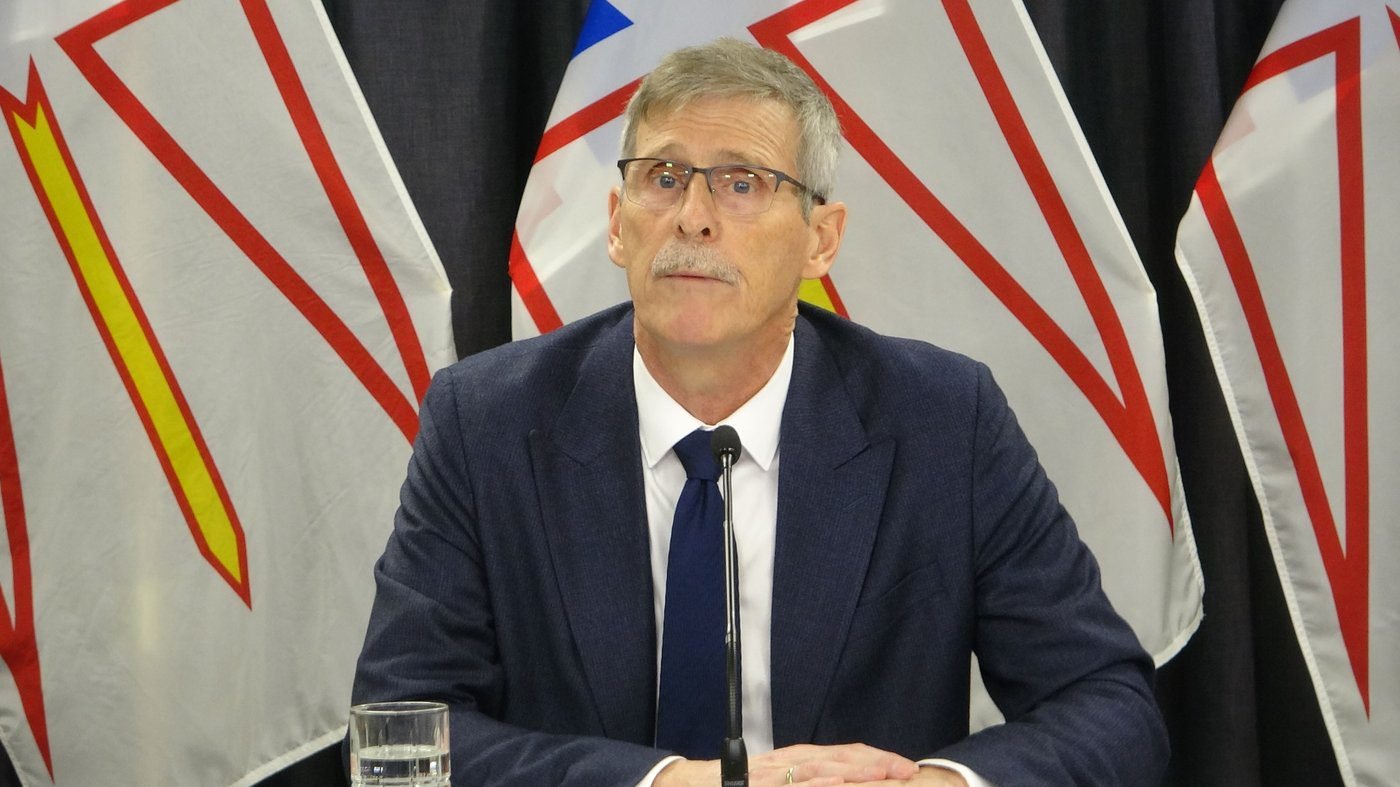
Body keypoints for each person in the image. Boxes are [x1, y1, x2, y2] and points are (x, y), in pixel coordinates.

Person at [350, 37, 1168, 787]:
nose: (694, 216)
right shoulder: (484, 422)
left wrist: (936, 786)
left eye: (743, 183)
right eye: (663, 178)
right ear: (616, 223)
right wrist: (665, 783)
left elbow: (1111, 708)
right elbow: (397, 731)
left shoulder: (944, 421)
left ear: (821, 239)